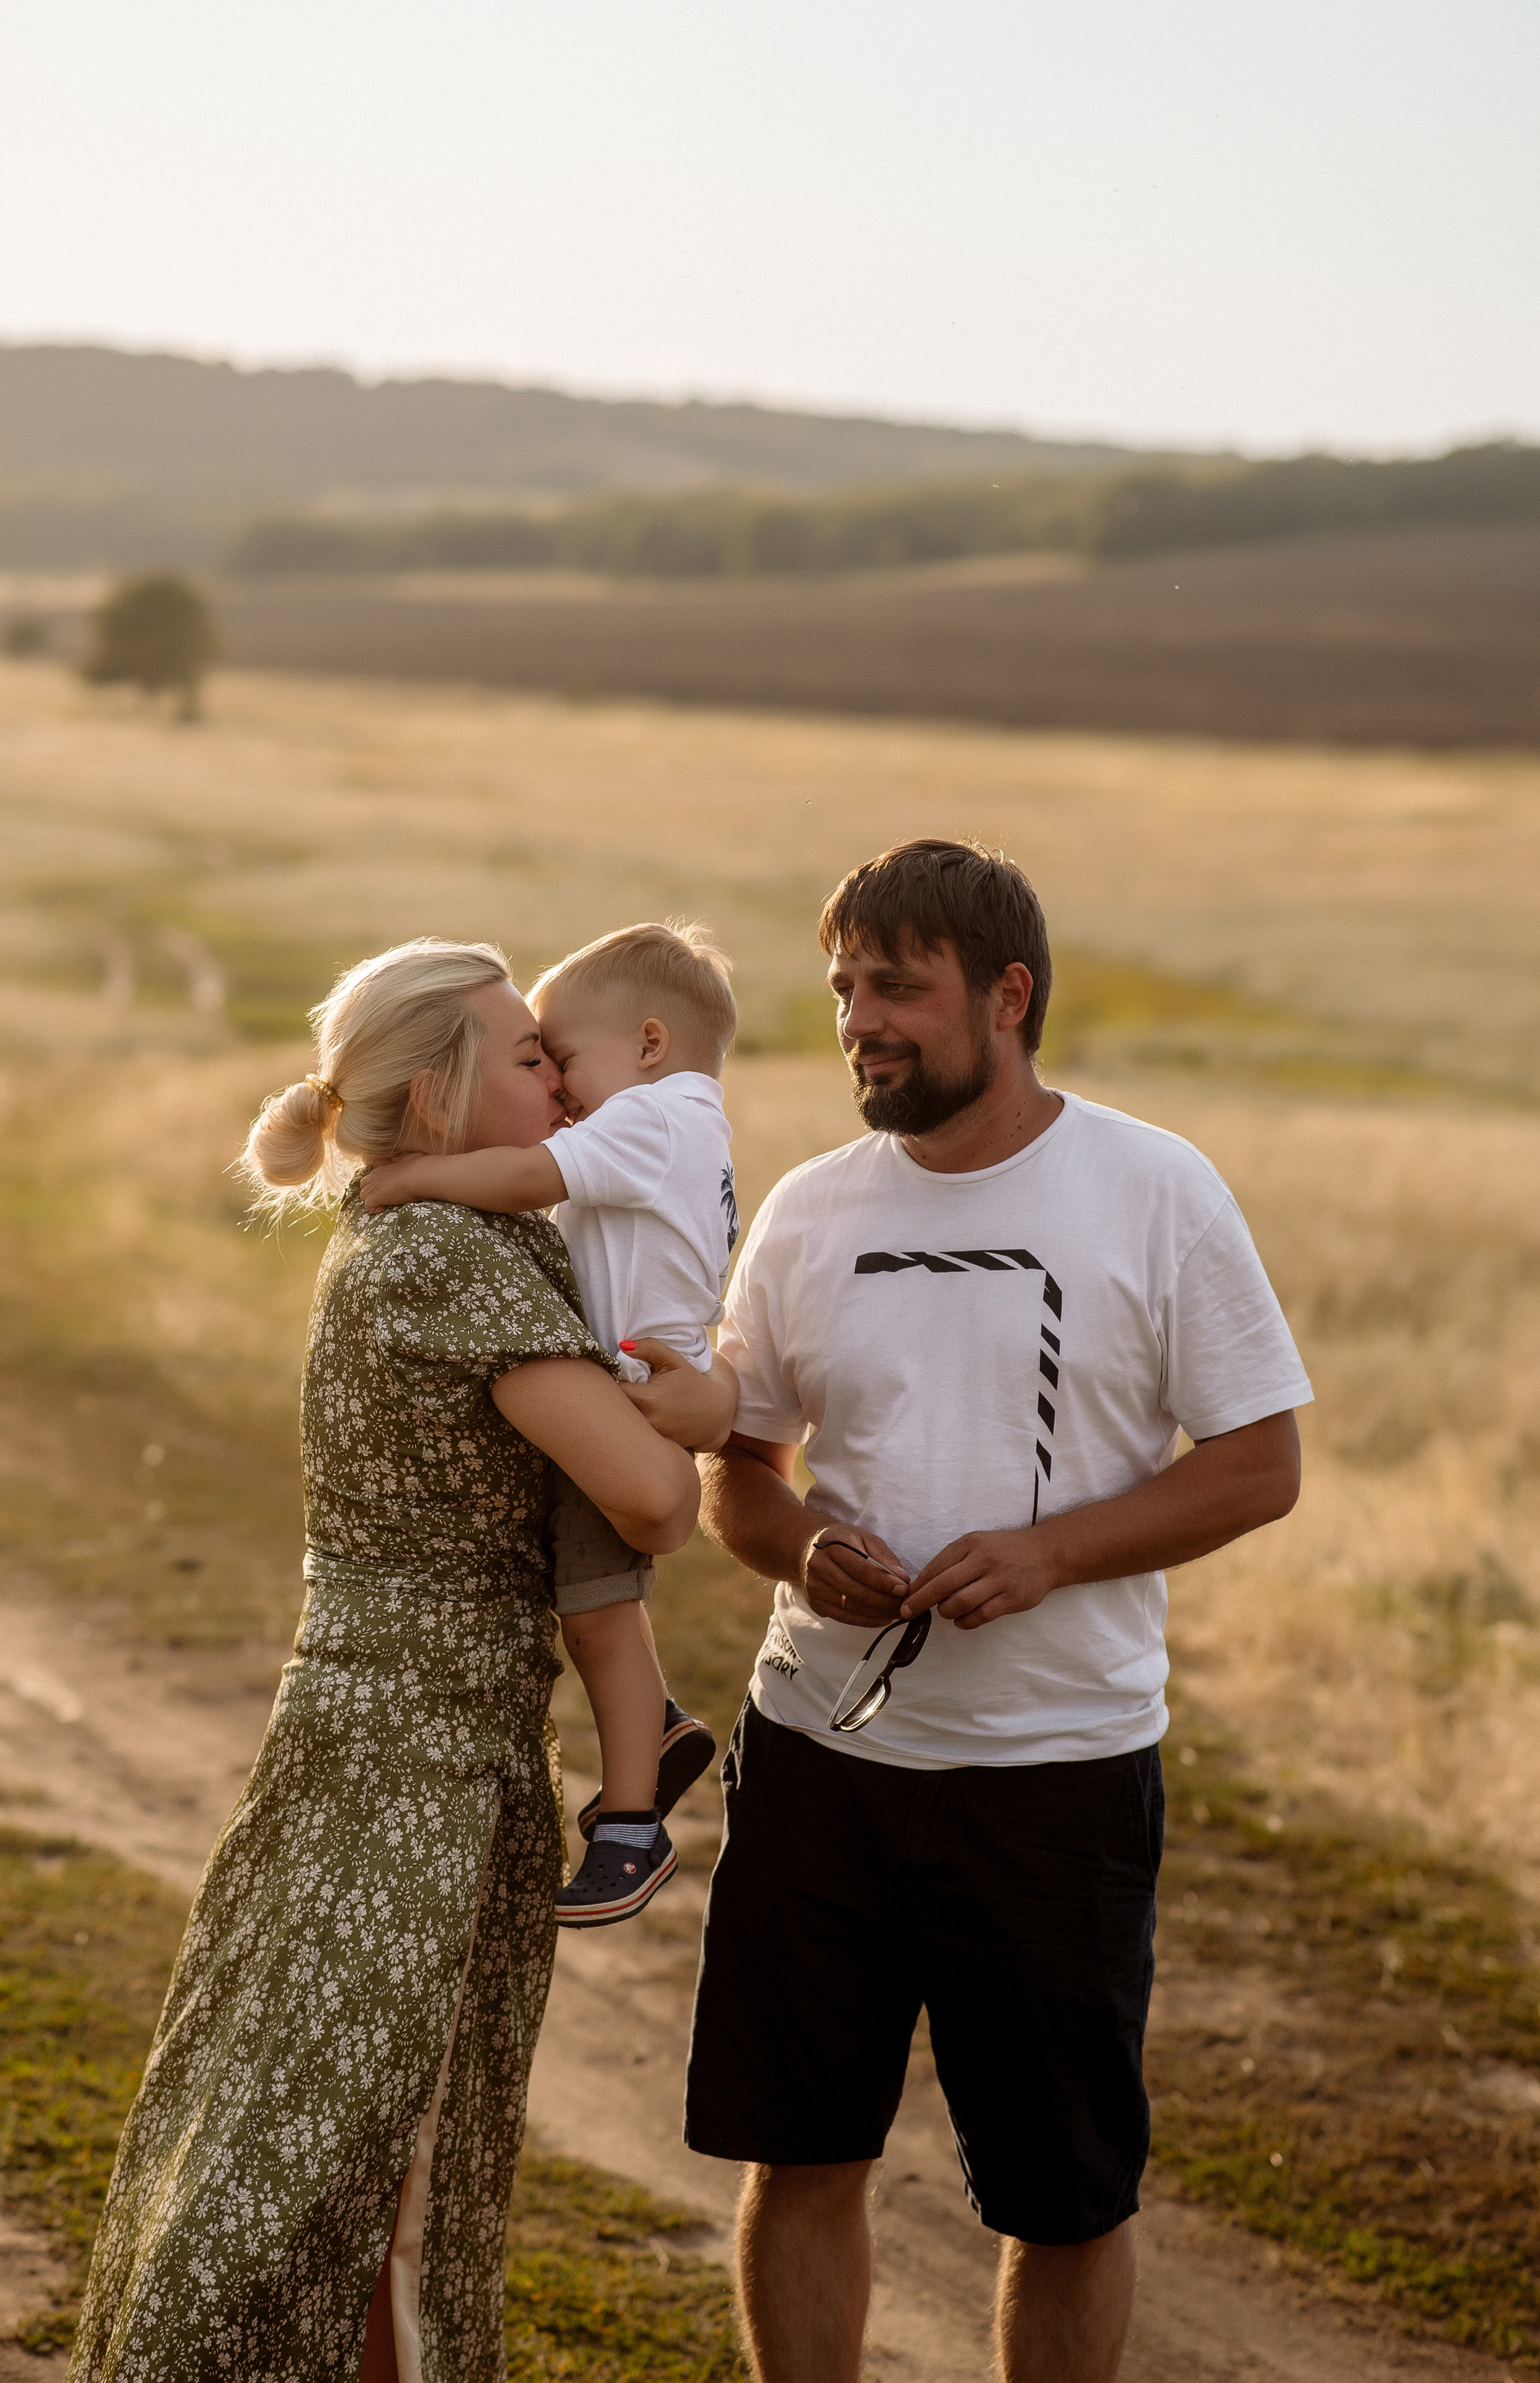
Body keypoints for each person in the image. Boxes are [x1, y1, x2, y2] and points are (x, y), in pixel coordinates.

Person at [686, 840, 1312, 2383]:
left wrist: (1049, 1555)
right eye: (841, 991)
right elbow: (741, 1479)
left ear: (1006, 996)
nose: (856, 1023)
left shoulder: (1152, 1189)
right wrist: (800, 1549)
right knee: (801, 2153)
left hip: (1058, 1778)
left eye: (894, 987)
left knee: (1063, 2198)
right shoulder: (810, 1210)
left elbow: (1259, 1465)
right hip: (817, 1761)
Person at [69, 938, 733, 2383]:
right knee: (351, 2158)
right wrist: (704, 1403)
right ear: (433, 1101)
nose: (559, 1076)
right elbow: (656, 1503)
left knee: (338, 2139)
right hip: (410, 1764)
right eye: (526, 1057)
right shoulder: (443, 1252)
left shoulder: (452, 1236)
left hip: (417, 1739)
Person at [364, 920, 740, 1926]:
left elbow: (533, 1178)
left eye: (561, 1058)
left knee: (600, 1614)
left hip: (626, 1393)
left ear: (651, 1045)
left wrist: (409, 1179)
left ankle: (630, 1825)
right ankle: (653, 1734)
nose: (562, 1090)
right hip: (647, 1382)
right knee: (605, 1609)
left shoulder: (654, 1119)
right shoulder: (687, 1125)